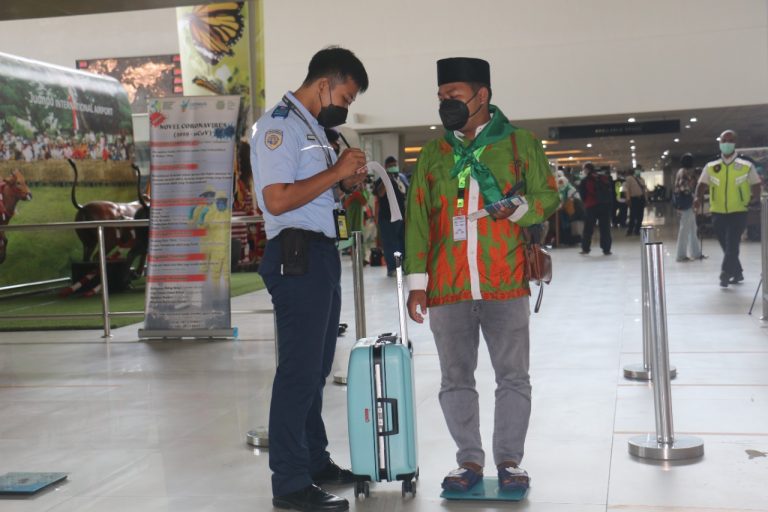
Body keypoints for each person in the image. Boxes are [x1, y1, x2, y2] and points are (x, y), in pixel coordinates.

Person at [405, 57, 558, 494]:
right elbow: (418, 219)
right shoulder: (434, 153)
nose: (445, 104)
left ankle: (510, 461)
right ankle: (468, 460)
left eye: (453, 95)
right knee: (455, 378)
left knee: (513, 375)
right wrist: (418, 285)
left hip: (504, 279)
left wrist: (521, 208)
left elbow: (548, 195)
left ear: (482, 95)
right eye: (440, 97)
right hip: (447, 284)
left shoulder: (520, 144)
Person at [250, 46, 369, 512]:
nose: (346, 106)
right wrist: (336, 171)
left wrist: (342, 184)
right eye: (346, 96)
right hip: (295, 257)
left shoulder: (313, 129)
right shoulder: (279, 127)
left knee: (316, 369)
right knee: (298, 372)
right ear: (323, 84)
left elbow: (311, 193)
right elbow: (277, 200)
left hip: (319, 255)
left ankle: (314, 462)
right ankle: (290, 482)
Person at [694, 130, 762, 287]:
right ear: (719, 143)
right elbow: (702, 184)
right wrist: (697, 198)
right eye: (724, 141)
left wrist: (755, 198)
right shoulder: (712, 165)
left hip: (739, 210)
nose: (726, 143)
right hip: (717, 211)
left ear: (735, 143)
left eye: (730, 141)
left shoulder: (746, 164)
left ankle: (725, 272)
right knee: (725, 244)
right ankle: (737, 272)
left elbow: (756, 183)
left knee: (732, 242)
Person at [374, 155, 407, 276]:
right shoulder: (381, 180)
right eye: (390, 166)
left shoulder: (401, 178)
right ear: (386, 167)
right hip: (387, 218)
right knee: (390, 244)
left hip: (401, 217)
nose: (393, 167)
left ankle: (403, 266)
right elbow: (380, 193)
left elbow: (406, 193)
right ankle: (393, 268)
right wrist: (386, 178)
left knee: (401, 242)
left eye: (395, 165)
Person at [674, 153, 704, 262]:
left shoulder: (684, 172)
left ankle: (695, 253)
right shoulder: (683, 172)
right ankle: (681, 255)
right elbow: (684, 188)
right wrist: (693, 195)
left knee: (692, 228)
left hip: (687, 204)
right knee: (684, 230)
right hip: (685, 203)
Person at [577, 162, 613, 255]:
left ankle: (585, 248)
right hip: (604, 206)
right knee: (605, 228)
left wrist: (586, 202)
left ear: (587, 170)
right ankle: (606, 249)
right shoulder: (603, 178)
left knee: (588, 229)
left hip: (591, 206)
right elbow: (610, 191)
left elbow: (582, 194)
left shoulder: (585, 181)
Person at [624, 167, 648, 235]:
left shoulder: (642, 179)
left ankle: (637, 230)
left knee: (640, 215)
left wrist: (646, 199)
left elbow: (644, 190)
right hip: (633, 199)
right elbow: (627, 189)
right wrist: (628, 199)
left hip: (641, 198)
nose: (638, 172)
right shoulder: (629, 178)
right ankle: (630, 230)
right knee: (633, 215)